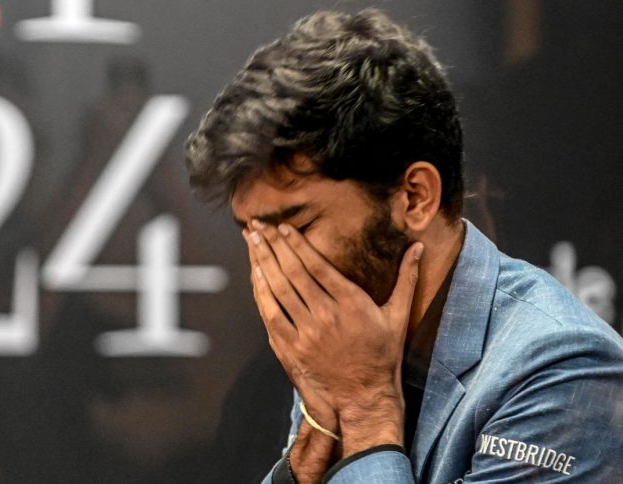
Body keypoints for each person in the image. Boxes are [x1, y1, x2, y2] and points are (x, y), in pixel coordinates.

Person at [184, 9, 623, 483]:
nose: (269, 267)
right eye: (251, 233)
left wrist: (365, 406)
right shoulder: (347, 325)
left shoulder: (565, 370)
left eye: (296, 225)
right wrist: (309, 452)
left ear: (414, 197)